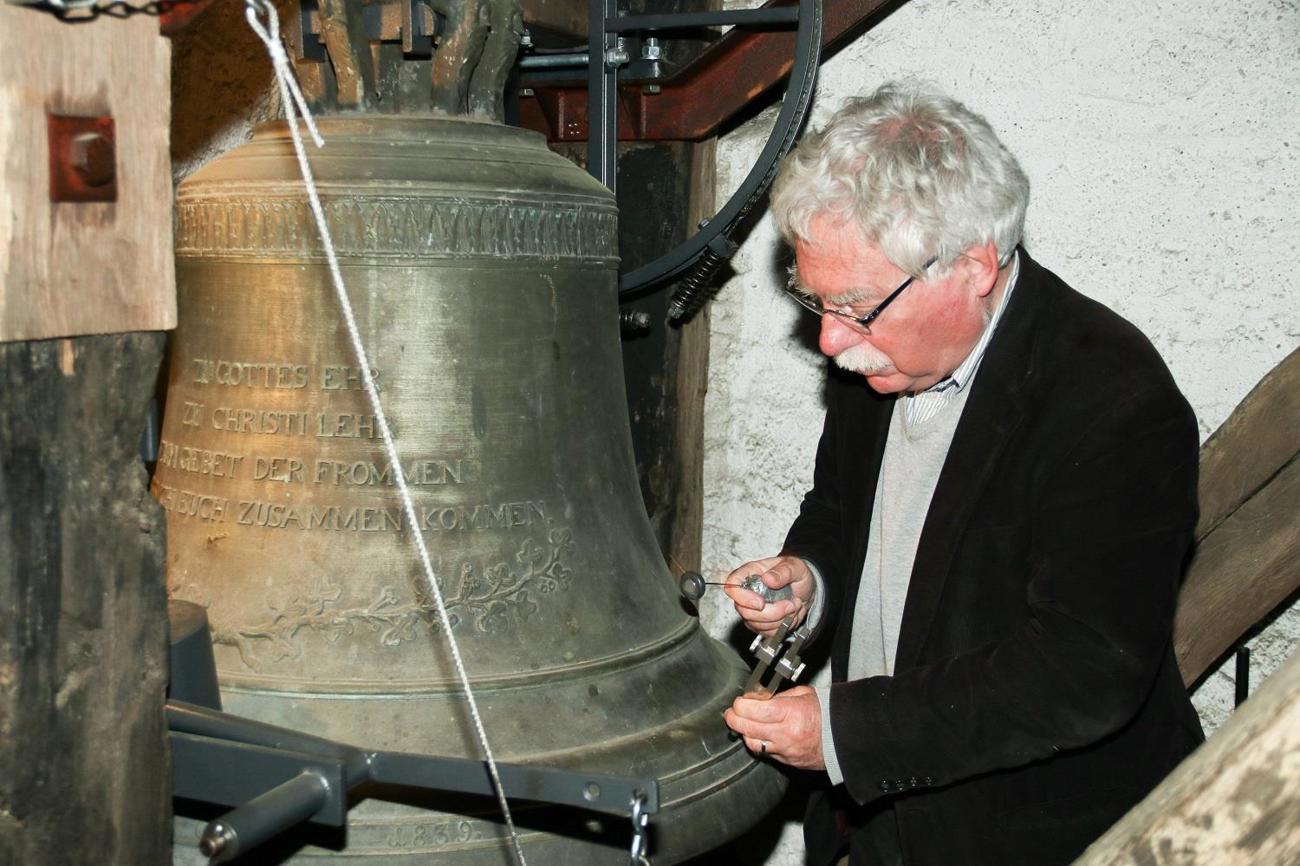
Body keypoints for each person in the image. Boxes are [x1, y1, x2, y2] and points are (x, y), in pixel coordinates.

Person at [721, 80, 1204, 866]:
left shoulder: (1112, 401)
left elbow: (1084, 670)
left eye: (855, 307)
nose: (832, 344)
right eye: (814, 301)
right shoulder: (881, 361)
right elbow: (844, 510)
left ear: (974, 266)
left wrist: (849, 733)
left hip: (1034, 835)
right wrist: (809, 578)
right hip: (885, 820)